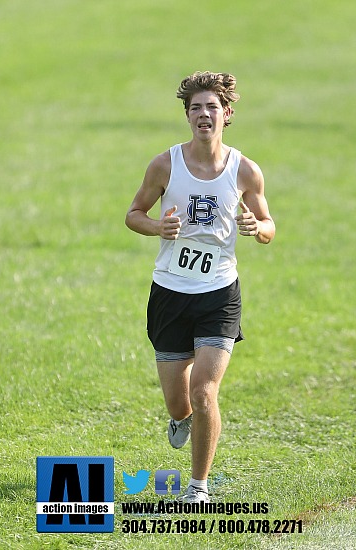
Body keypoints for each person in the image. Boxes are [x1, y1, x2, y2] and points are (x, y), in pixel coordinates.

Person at [125, 71, 275, 504]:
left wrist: (257, 227)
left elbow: (269, 224)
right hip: (170, 291)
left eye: (212, 107)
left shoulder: (245, 170)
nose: (203, 114)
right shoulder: (164, 164)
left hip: (219, 294)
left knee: (205, 389)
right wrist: (158, 226)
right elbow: (133, 213)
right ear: (187, 116)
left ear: (226, 114)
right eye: (195, 108)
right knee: (179, 403)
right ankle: (180, 420)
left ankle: (198, 487)